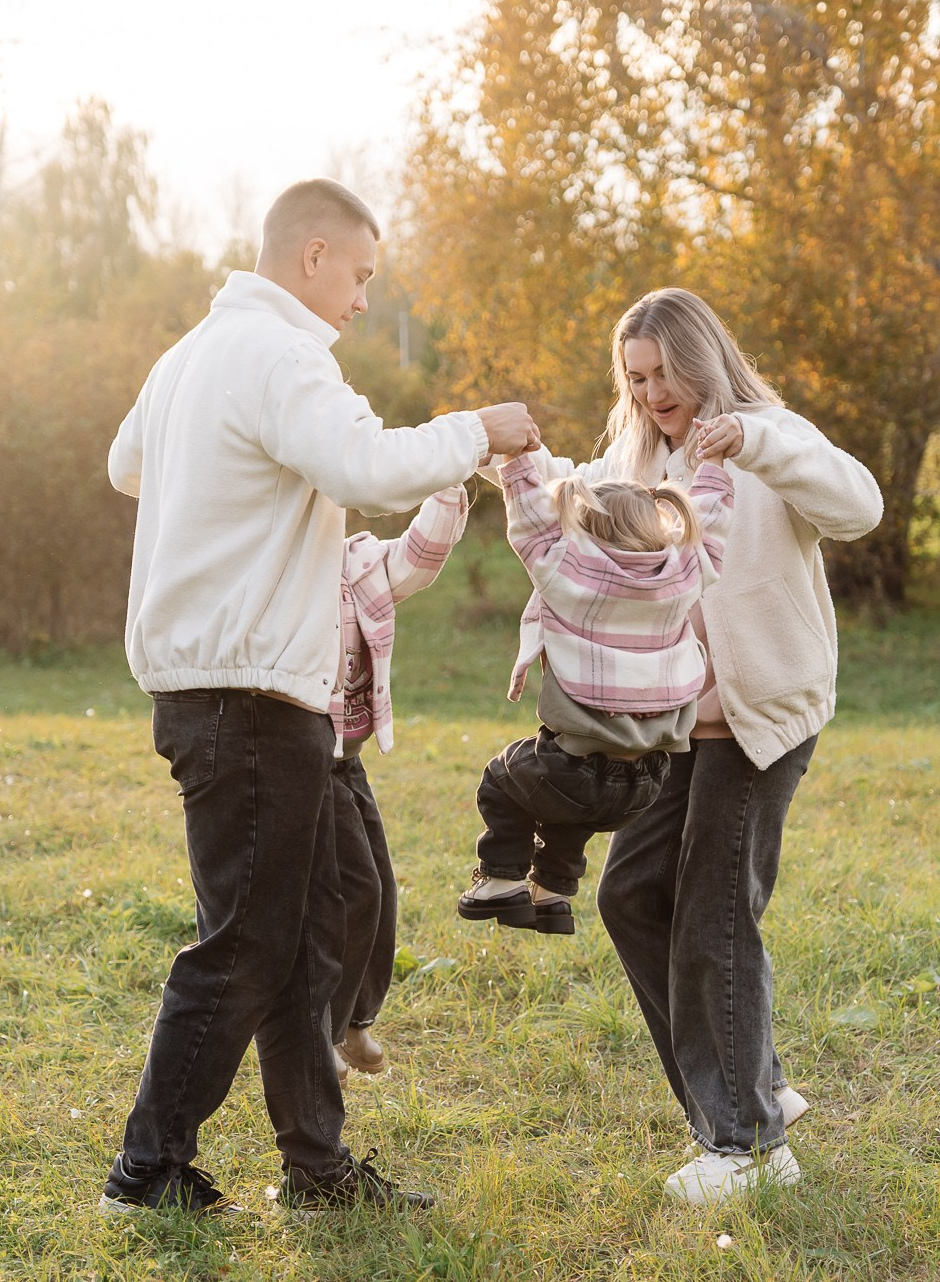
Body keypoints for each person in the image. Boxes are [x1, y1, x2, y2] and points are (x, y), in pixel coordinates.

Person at [98, 178, 540, 1217]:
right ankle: (143, 1170)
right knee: (246, 943)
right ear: (311, 256)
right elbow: (364, 464)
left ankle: (318, 1170)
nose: (360, 301)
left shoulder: (188, 357)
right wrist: (475, 429)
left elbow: (127, 465)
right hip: (246, 693)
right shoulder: (278, 355)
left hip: (217, 690)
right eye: (360, 276)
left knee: (297, 942)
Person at [508, 288, 881, 1205]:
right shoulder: (640, 452)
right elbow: (577, 521)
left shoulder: (768, 434)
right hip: (671, 726)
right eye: (634, 378)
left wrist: (753, 443)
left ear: (701, 358)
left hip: (760, 717)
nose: (651, 392)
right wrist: (506, 465)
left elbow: (859, 504)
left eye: (664, 372)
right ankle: (754, 1095)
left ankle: (745, 1144)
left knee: (715, 914)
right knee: (632, 892)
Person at [457, 449, 733, 935]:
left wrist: (517, 462)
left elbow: (529, 524)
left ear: (585, 531)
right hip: (647, 784)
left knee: (503, 778)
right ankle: (554, 893)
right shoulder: (685, 575)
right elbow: (711, 522)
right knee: (569, 810)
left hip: (572, 772)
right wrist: (714, 465)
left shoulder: (569, 577)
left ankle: (500, 881)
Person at [328, 483, 471, 1080]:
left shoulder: (355, 563)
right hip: (303, 755)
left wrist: (447, 476)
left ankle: (354, 1023)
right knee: (354, 890)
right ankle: (324, 1032)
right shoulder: (275, 573)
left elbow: (419, 555)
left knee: (379, 888)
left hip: (347, 758)